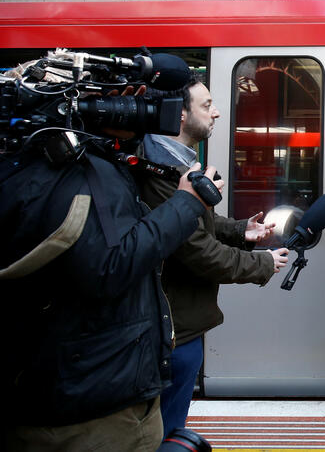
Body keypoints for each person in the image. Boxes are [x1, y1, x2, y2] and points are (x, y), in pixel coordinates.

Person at [0, 64, 221, 450]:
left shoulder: (35, 165)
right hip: (89, 398)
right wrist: (187, 203)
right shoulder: (84, 175)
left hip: (59, 381)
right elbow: (110, 266)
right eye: (132, 102)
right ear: (94, 108)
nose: (150, 113)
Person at [136, 78, 290, 437]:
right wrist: (263, 263)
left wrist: (240, 231)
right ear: (179, 114)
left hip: (180, 326)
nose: (217, 112)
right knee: (165, 432)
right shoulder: (158, 173)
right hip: (170, 330)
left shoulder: (174, 165)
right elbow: (196, 251)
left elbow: (198, 223)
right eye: (207, 105)